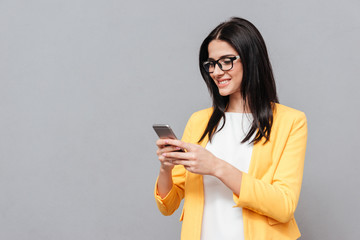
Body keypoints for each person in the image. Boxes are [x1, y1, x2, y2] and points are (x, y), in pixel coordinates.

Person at [154, 17, 307, 240]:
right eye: (211, 64)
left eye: (226, 61)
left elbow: (284, 206)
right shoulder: (199, 122)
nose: (216, 71)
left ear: (251, 59)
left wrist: (216, 166)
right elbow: (167, 206)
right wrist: (165, 168)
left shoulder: (290, 122)